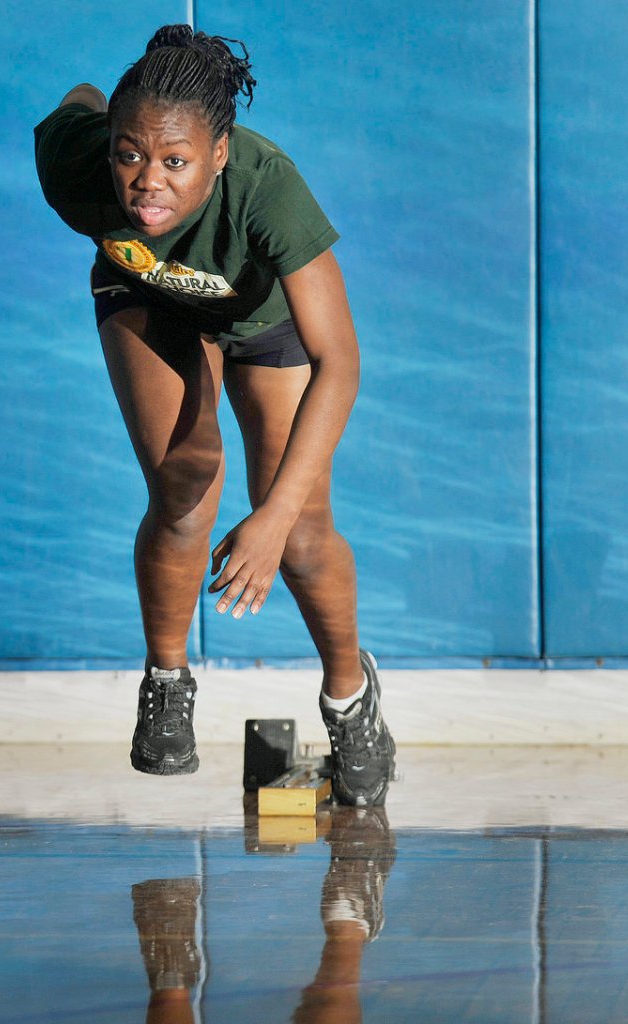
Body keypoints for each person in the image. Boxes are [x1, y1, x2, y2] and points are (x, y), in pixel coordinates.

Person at [34, 24, 395, 805]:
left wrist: (270, 517)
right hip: (149, 297)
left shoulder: (268, 189)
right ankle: (167, 682)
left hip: (263, 321)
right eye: (130, 154)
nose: (146, 182)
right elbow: (79, 107)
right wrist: (99, 116)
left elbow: (341, 362)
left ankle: (348, 698)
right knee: (184, 482)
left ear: (219, 155)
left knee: (298, 535)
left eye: (174, 161)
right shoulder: (77, 166)